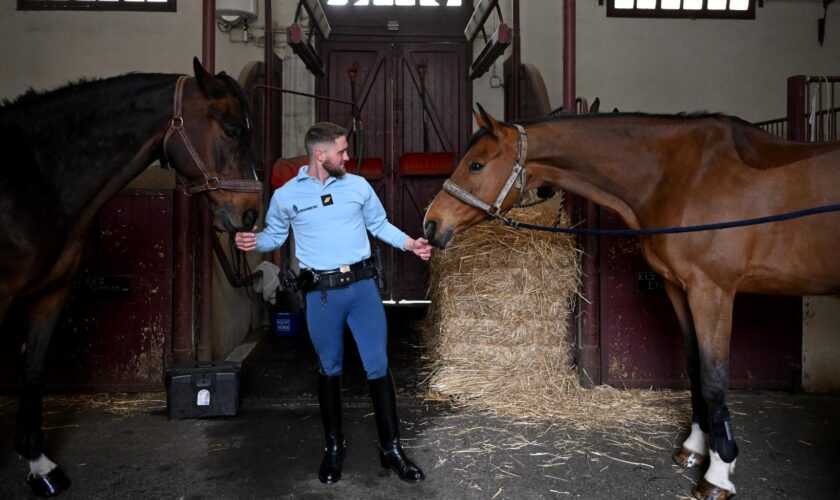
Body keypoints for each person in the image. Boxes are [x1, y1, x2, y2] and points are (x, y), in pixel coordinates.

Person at [235, 122, 432, 485]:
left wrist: (410, 244)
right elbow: (275, 235)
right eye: (341, 151)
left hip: (362, 290)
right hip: (321, 294)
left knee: (377, 364)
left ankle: (392, 450)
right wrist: (254, 242)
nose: (347, 156)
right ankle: (334, 448)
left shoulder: (357, 186)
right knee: (329, 368)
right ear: (320, 155)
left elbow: (380, 224)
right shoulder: (286, 195)